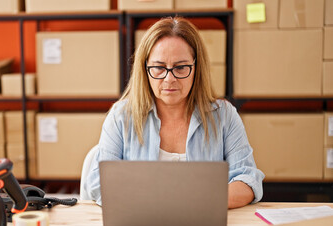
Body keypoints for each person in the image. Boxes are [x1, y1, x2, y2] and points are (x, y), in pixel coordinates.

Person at [84, 16, 264, 209]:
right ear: (145, 69)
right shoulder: (121, 116)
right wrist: (163, 203)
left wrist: (193, 203)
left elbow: (248, 180)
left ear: (197, 68)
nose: (169, 79)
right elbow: (99, 183)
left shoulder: (224, 116)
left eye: (180, 67)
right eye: (159, 68)